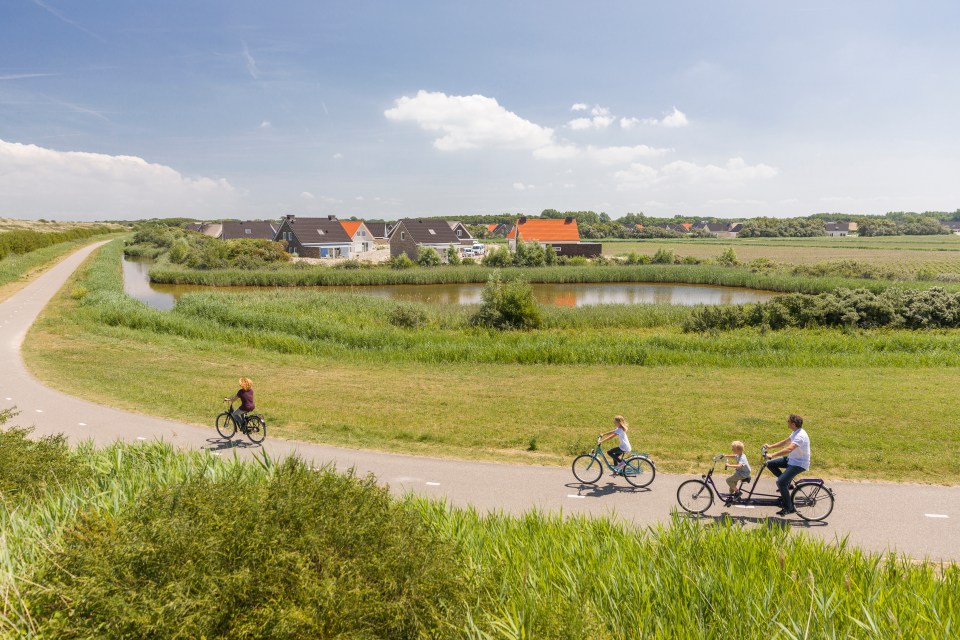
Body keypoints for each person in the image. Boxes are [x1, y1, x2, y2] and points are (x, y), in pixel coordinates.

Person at [764, 414, 811, 516]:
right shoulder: (795, 432)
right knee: (769, 464)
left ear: (793, 424)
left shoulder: (800, 436)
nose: (787, 423)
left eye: (788, 421)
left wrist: (773, 454)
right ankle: (788, 485)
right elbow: (785, 442)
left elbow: (789, 448)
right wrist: (770, 446)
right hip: (792, 460)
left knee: (780, 482)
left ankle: (789, 507)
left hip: (799, 464)